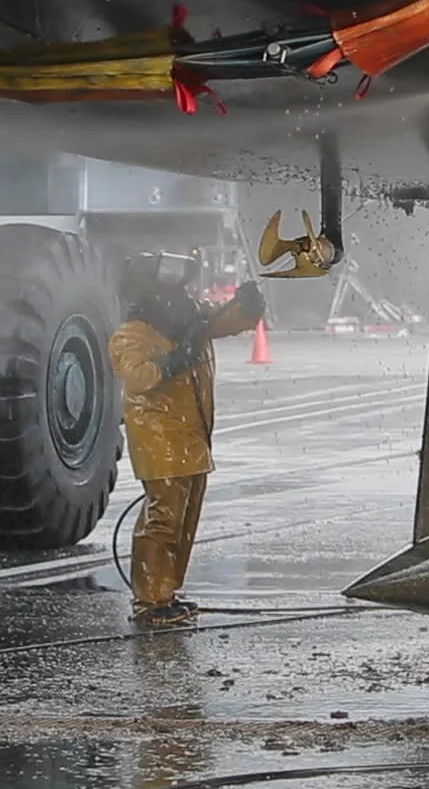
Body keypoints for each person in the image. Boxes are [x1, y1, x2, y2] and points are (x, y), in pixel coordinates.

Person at [107, 251, 264, 627]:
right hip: (158, 438)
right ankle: (150, 599)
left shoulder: (188, 319)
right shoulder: (132, 334)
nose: (182, 298)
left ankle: (167, 591)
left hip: (191, 437)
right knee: (162, 519)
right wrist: (177, 360)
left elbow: (225, 320)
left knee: (184, 520)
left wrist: (248, 306)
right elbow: (139, 377)